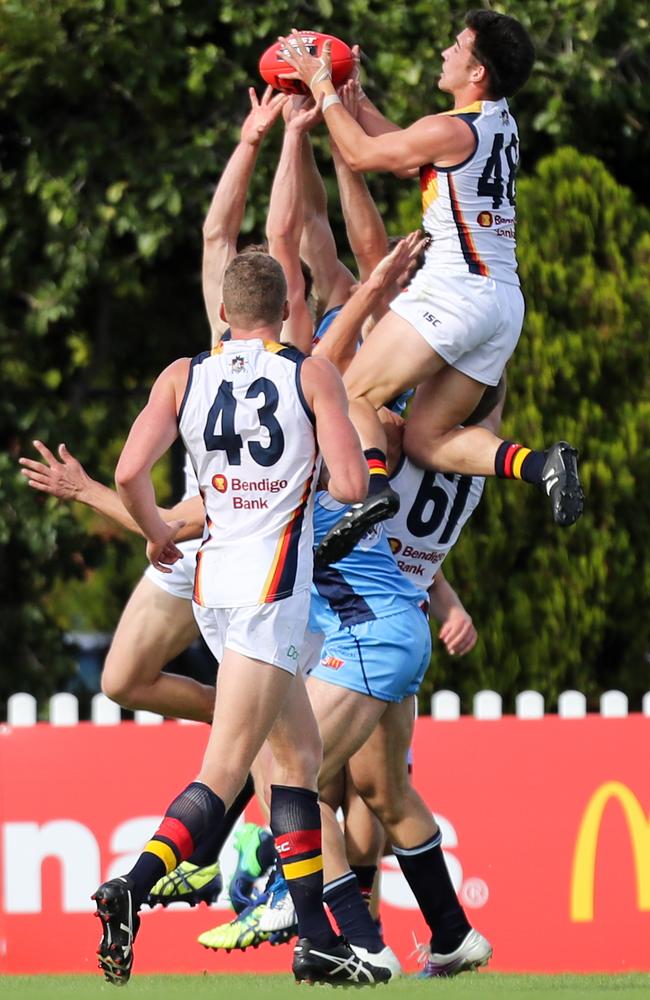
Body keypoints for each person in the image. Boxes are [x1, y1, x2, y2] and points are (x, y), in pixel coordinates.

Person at [91, 251, 392, 988]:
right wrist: (321, 462)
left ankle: (317, 942)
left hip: (212, 590)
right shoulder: (308, 371)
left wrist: (157, 527)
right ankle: (130, 888)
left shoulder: (182, 375)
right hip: (271, 591)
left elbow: (130, 472)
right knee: (227, 772)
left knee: (297, 760)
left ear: (224, 314)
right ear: (290, 306)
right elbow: (353, 484)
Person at [278, 11, 584, 566]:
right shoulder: (498, 121)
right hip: (502, 304)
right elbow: (407, 155)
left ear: (478, 72)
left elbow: (365, 157)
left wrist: (322, 87)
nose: (446, 52)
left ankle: (372, 491)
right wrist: (357, 102)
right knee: (426, 441)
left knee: (351, 393)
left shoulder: (452, 128)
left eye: (457, 47)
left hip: (453, 290)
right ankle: (543, 467)